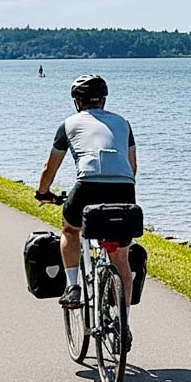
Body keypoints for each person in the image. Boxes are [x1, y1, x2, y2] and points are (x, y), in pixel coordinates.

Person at [35, 75, 137, 311]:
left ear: (77, 101)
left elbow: (50, 167)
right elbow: (132, 167)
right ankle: (125, 324)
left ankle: (72, 286)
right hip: (124, 187)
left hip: (88, 186)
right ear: (103, 100)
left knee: (70, 229)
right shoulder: (123, 123)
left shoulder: (69, 124)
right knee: (121, 255)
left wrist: (43, 193)